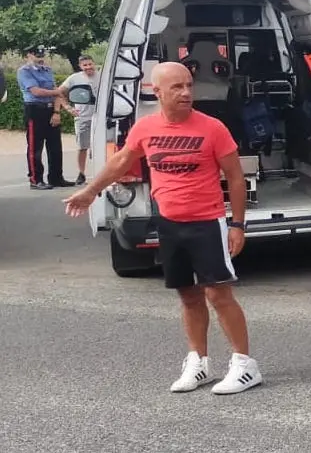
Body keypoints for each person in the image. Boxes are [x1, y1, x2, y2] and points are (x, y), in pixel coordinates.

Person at [63, 61, 263, 394]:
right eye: (177, 87)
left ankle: (245, 365)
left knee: (218, 293)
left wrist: (237, 224)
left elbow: (236, 177)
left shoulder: (213, 128)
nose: (186, 93)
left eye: (189, 85)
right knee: (187, 295)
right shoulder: (145, 128)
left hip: (207, 222)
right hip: (170, 223)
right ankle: (198, 362)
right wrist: (90, 190)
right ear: (156, 92)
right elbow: (122, 161)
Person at [18, 45, 70, 190]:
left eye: (42, 56)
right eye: (36, 55)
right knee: (35, 147)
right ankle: (36, 180)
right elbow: (36, 92)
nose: (40, 59)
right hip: (35, 110)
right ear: (29, 55)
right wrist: (56, 92)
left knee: (55, 147)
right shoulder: (24, 72)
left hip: (50, 110)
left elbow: (55, 92)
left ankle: (56, 178)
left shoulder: (47, 70)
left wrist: (56, 112)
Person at [62, 55, 99, 185]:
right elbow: (60, 92)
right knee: (82, 146)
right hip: (82, 116)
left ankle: (102, 173)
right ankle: (81, 174)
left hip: (100, 116)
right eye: (85, 65)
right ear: (80, 66)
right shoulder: (74, 78)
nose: (89, 67)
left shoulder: (102, 76)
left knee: (102, 145)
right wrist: (68, 107)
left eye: (90, 64)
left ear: (94, 63)